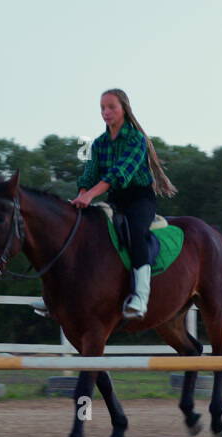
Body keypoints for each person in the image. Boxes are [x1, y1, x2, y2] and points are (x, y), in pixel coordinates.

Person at [34, 88, 177, 320]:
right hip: (114, 199)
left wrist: (90, 196)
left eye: (111, 107)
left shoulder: (136, 140)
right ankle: (54, 296)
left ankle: (140, 297)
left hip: (139, 199)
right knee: (79, 230)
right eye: (102, 108)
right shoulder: (98, 144)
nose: (106, 112)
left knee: (135, 232)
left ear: (124, 109)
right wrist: (82, 194)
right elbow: (89, 174)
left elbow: (118, 174)